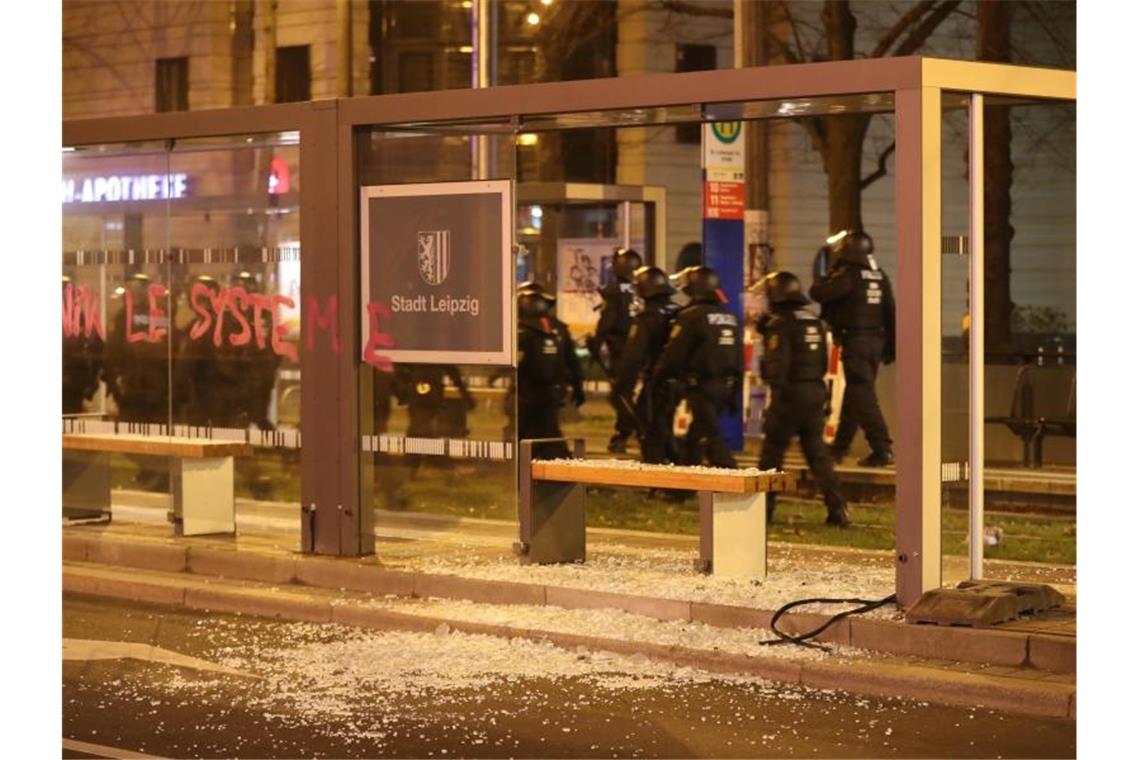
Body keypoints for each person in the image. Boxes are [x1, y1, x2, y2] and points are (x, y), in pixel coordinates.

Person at [755, 271, 850, 527]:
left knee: (771, 456)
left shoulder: (780, 324)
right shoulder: (813, 321)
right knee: (818, 456)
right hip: (814, 392)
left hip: (789, 395)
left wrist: (776, 393)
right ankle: (838, 508)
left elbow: (778, 366)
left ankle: (763, 510)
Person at [809, 230, 896, 467]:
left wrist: (825, 272)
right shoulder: (879, 276)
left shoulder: (847, 276)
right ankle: (839, 448)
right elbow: (890, 310)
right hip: (876, 342)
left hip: (856, 341)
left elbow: (817, 293)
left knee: (862, 394)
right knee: (855, 394)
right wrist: (891, 347)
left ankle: (882, 448)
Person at [652, 265, 742, 469]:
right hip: (725, 387)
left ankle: (736, 483)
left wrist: (658, 377)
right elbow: (738, 357)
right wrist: (735, 393)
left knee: (712, 438)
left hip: (701, 387)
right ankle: (684, 488)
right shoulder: (729, 318)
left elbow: (674, 354)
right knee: (694, 437)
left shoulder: (691, 317)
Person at [613, 266, 680, 466]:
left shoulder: (646, 318)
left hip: (657, 384)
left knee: (650, 431)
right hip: (680, 384)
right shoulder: (679, 312)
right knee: (670, 431)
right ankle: (678, 475)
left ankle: (658, 481)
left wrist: (621, 387)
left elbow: (633, 357)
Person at [517, 284, 584, 460]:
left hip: (527, 392)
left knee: (530, 431)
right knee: (547, 427)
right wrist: (578, 387)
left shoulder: (521, 330)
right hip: (555, 390)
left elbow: (517, 364)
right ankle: (551, 464)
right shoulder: (559, 328)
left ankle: (551, 466)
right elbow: (573, 361)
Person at [589, 247, 642, 453]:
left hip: (622, 351)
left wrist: (596, 341)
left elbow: (608, 321)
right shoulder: (641, 288)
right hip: (641, 349)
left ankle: (633, 430)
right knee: (627, 393)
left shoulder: (614, 290)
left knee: (620, 395)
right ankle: (627, 432)